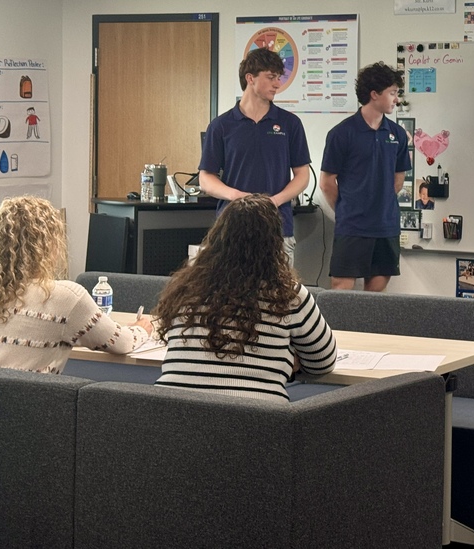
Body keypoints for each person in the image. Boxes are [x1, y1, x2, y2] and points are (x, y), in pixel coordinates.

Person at [153, 194, 338, 402]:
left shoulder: (186, 288)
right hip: (254, 423)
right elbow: (323, 362)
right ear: (274, 245)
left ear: (217, 236)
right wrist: (284, 359)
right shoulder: (289, 295)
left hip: (171, 418)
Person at [0, 196, 153, 374]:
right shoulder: (65, 297)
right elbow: (122, 343)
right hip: (33, 400)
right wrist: (141, 329)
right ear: (49, 245)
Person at [198, 48, 311, 265]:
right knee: (231, 296)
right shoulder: (221, 126)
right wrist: (238, 196)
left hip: (278, 228)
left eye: (279, 78)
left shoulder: (290, 124)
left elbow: (302, 175)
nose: (277, 84)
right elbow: (206, 179)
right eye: (271, 77)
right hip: (232, 228)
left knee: (278, 296)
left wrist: (274, 201)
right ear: (250, 78)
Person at [320, 61, 412, 292]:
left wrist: (378, 205)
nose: (396, 100)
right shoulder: (341, 134)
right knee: (340, 291)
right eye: (392, 93)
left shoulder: (398, 134)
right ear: (374, 94)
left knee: (375, 300)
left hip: (385, 226)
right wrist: (346, 209)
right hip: (352, 226)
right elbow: (327, 183)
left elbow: (398, 180)